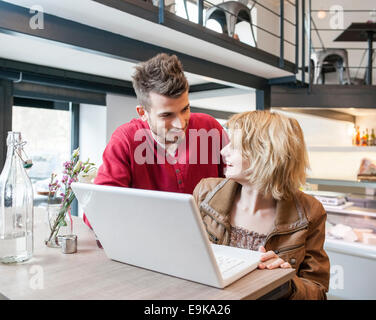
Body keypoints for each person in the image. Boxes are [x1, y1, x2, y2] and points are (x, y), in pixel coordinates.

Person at [193, 111, 330, 300]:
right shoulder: (205, 192)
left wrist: (286, 282)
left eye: (234, 146)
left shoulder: (310, 212)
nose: (223, 151)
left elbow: (317, 292)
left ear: (264, 153)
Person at [84, 53, 228, 227]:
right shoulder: (125, 141)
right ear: (143, 113)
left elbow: (242, 190)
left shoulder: (209, 127)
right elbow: (97, 214)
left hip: (212, 242)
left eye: (185, 109)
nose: (180, 123)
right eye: (167, 115)